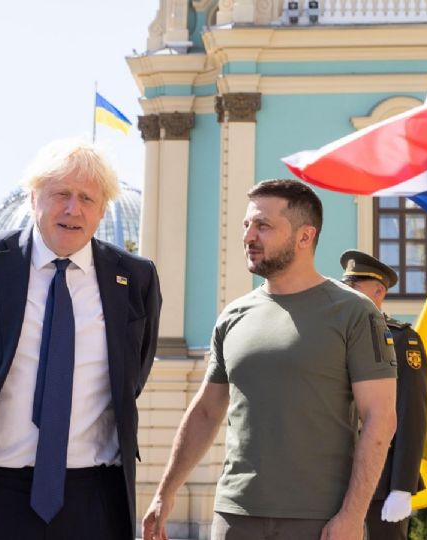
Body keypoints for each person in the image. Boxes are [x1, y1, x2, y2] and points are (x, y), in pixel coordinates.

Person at [0, 139, 162, 540]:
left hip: (92, 498)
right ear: (33, 197)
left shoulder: (134, 277)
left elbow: (133, 374)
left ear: (102, 210)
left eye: (87, 198)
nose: (73, 209)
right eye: (60, 194)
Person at [143, 179, 397, 540]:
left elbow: (381, 418)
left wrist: (352, 516)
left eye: (263, 226)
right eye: (247, 225)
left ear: (304, 237)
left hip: (319, 521)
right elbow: (205, 411)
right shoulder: (234, 316)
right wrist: (165, 493)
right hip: (235, 517)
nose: (249, 236)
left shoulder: (355, 313)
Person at [339, 249, 427, 540]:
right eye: (343, 286)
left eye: (353, 287)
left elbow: (411, 414)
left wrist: (402, 485)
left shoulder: (402, 340)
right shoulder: (334, 337)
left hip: (381, 479)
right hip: (334, 475)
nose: (344, 293)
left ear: (378, 291)